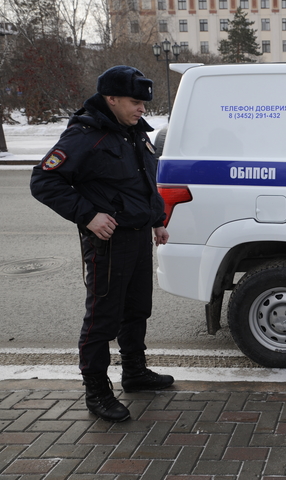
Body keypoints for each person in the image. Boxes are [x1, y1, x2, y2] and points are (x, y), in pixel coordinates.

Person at [30, 65, 174, 422]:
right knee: (102, 320)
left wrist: (156, 220)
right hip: (107, 243)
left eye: (144, 102)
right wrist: (89, 216)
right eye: (135, 102)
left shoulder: (133, 132)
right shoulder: (86, 135)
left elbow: (143, 183)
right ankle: (96, 391)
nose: (142, 108)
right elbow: (44, 181)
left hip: (138, 237)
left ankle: (135, 373)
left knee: (137, 309)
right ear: (111, 99)